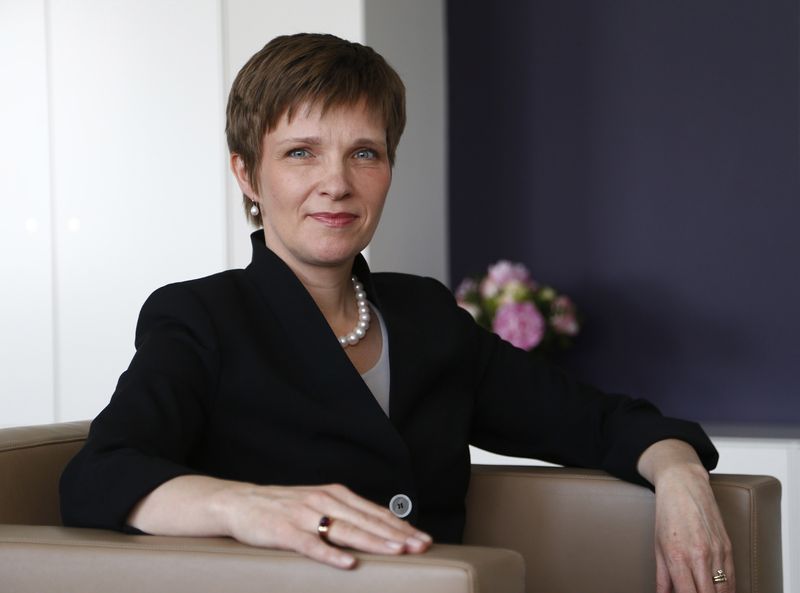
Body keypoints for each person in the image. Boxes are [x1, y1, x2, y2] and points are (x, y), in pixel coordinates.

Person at [60, 33, 734, 591]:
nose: (338, 183)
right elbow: (100, 474)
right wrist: (246, 506)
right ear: (246, 173)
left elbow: (596, 421)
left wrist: (677, 471)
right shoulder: (200, 316)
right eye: (301, 152)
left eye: (365, 153)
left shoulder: (427, 315)